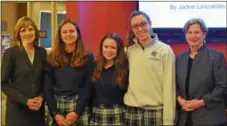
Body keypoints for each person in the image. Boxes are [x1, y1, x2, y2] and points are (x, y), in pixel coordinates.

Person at [123, 10, 176, 126]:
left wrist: (168, 120)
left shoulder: (165, 51)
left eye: (143, 24)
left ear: (150, 23)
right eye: (135, 26)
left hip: (155, 111)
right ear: (132, 29)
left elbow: (169, 87)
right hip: (132, 110)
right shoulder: (129, 51)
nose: (140, 29)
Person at [176, 18, 227, 126]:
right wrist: (179, 99)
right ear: (185, 35)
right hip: (184, 118)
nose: (193, 36)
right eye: (189, 32)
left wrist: (200, 103)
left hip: (211, 119)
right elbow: (175, 85)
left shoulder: (216, 57)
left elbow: (222, 87)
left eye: (197, 32)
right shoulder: (179, 58)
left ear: (204, 34)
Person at [44, 18, 95, 126]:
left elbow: (88, 86)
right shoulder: (51, 57)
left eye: (71, 31)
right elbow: (47, 87)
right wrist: (55, 114)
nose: (68, 34)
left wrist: (77, 112)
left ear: (78, 34)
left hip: (80, 106)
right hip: (57, 106)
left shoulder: (88, 57)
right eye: (64, 32)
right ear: (60, 36)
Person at [1, 16, 47, 126]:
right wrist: (25, 101)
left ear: (35, 32)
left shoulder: (42, 52)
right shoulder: (11, 53)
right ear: (18, 34)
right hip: (17, 111)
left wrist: (41, 97)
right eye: (23, 30)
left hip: (37, 111)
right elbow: (3, 83)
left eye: (30, 29)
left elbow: (46, 79)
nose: (27, 33)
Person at [90, 33, 128, 126]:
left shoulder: (125, 69)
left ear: (119, 50)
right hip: (97, 113)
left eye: (113, 47)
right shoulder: (94, 66)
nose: (109, 50)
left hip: (117, 113)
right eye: (106, 47)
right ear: (101, 48)